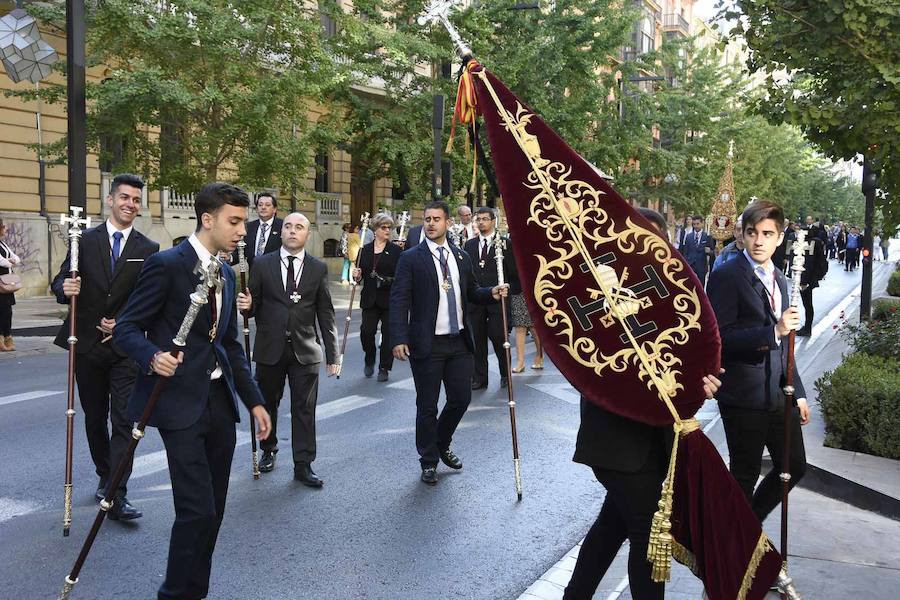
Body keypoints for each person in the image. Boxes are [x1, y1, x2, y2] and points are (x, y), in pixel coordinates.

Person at [114, 182, 272, 600]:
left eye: (245, 221)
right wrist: (153, 356)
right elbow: (127, 329)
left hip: (219, 405)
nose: (242, 230)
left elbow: (229, 345)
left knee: (214, 511)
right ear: (208, 219)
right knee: (196, 509)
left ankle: (193, 592)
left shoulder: (225, 273)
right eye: (234, 221)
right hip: (178, 405)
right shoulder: (166, 264)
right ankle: (173, 594)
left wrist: (254, 400)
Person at [564, 208, 724, 600]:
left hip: (656, 440)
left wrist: (705, 382)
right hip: (614, 439)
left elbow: (691, 352)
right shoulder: (598, 289)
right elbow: (589, 361)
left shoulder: (671, 294)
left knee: (612, 525)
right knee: (647, 530)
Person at [50, 173, 160, 518]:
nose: (130, 204)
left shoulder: (148, 248)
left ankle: (117, 490)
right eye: (124, 197)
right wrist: (63, 289)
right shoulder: (84, 239)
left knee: (125, 419)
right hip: (86, 345)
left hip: (126, 348)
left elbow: (149, 298)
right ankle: (104, 473)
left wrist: (126, 321)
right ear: (110, 200)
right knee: (94, 418)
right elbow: (62, 277)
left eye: (136, 200)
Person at [390, 200, 508, 486]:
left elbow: (470, 292)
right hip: (426, 344)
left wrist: (491, 291)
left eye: (437, 219)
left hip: (458, 343)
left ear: (448, 223)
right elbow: (399, 299)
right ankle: (428, 460)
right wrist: (398, 337)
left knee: (460, 399)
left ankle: (441, 442)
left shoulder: (460, 256)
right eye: (427, 219)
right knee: (427, 405)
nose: (431, 223)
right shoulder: (411, 258)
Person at [707, 200, 809, 524]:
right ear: (743, 235)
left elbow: (786, 343)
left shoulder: (779, 278)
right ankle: (731, 552)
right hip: (743, 394)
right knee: (744, 476)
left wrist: (800, 391)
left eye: (768, 233)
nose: (759, 241)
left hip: (780, 393)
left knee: (793, 467)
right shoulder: (727, 275)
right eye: (753, 233)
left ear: (780, 237)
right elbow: (719, 340)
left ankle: (745, 530)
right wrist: (773, 330)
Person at [247, 212, 338, 486]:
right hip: (269, 348)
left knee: (304, 409)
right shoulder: (262, 265)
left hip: (305, 349)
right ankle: (268, 449)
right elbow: (252, 305)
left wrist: (332, 355)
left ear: (307, 235)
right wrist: (246, 305)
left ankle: (303, 464)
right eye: (287, 226)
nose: (292, 231)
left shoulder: (317, 268)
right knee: (268, 403)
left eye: (299, 227)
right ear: (281, 232)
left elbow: (326, 313)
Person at [464, 207, 520, 391]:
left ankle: (505, 373)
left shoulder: (504, 244)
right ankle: (480, 377)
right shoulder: (470, 245)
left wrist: (509, 291)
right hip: (477, 300)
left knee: (498, 337)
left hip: (498, 301)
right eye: (478, 219)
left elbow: (514, 274)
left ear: (493, 221)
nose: (481, 222)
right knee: (477, 340)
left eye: (485, 219)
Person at [353, 213, 401, 382]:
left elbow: (400, 276)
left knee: (388, 335)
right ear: (375, 230)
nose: (387, 230)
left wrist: (388, 280)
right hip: (370, 298)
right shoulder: (363, 251)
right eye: (384, 227)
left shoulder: (396, 251)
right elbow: (359, 275)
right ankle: (369, 357)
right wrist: (356, 275)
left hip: (389, 299)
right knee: (366, 332)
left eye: (390, 228)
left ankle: (384, 367)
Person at [234, 192, 282, 271]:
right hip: (253, 275)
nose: (263, 207)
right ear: (256, 209)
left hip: (275, 275)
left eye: (267, 205)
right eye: (260, 205)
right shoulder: (249, 227)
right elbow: (242, 251)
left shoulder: (282, 227)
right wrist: (230, 258)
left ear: (274, 209)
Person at [796, 220, 828, 337]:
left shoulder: (810, 244)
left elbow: (808, 263)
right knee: (807, 304)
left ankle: (807, 328)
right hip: (809, 277)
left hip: (807, 278)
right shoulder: (815, 242)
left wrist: (804, 281)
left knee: (807, 304)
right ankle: (807, 326)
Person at [0, 218, 22, 352]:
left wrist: (12, 260)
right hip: (1, 282)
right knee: (1, 311)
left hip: (7, 282)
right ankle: (2, 339)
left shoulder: (3, 244)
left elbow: (16, 258)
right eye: (3, 226)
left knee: (7, 311)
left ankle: (7, 336)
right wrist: (10, 261)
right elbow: (4, 262)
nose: (5, 229)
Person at [679, 215, 713, 286]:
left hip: (701, 266)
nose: (696, 226)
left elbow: (712, 253)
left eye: (698, 224)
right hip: (690, 265)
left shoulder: (707, 236)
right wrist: (686, 263)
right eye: (694, 224)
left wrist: (709, 251)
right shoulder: (689, 237)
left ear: (702, 224)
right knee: (689, 286)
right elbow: (685, 251)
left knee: (700, 286)